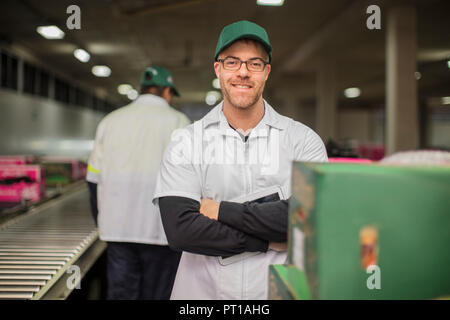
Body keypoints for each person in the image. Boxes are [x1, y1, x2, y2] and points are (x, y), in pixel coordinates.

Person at [153, 20, 328, 299]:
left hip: (276, 294)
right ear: (218, 69)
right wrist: (268, 240)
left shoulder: (302, 141)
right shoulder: (186, 142)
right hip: (203, 295)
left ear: (267, 71)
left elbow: (310, 220)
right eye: (232, 62)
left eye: (254, 63)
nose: (243, 72)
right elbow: (182, 230)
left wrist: (221, 210)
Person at [86, 66, 191, 299]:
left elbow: (93, 180)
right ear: (166, 92)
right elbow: (191, 183)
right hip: (161, 232)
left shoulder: (110, 121)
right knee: (158, 295)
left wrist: (102, 222)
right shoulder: (179, 121)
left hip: (118, 231)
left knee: (122, 295)